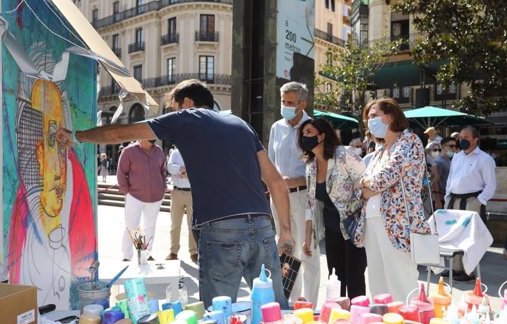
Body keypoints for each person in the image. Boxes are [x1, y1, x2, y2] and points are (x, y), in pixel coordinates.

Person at [57, 79, 293, 309]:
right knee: (275, 313)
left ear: (187, 102)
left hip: (221, 228)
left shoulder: (187, 118)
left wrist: (76, 136)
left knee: (219, 317)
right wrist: (285, 233)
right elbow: (276, 183)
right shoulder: (241, 125)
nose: (171, 113)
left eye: (173, 108)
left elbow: (120, 133)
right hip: (262, 226)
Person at [7, 79, 96, 308]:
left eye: (60, 137)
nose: (55, 154)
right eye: (48, 138)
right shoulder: (25, 208)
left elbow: (85, 261)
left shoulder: (75, 187)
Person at [357, 98, 431, 302]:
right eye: (367, 118)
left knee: (400, 281)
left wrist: (368, 185)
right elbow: (362, 187)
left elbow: (386, 177)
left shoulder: (409, 141)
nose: (369, 122)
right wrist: (369, 186)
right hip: (372, 221)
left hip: (398, 223)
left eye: (373, 116)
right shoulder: (379, 152)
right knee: (377, 280)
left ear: (389, 116)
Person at [298, 118, 367, 298]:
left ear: (322, 135)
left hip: (355, 227)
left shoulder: (344, 154)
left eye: (309, 132)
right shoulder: (310, 166)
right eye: (303, 134)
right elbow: (310, 204)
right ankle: (339, 317)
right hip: (332, 230)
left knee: (354, 277)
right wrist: (307, 238)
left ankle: (358, 318)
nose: (305, 137)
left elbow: (366, 181)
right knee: (335, 277)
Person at [268, 82, 321, 305]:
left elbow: (321, 165)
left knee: (308, 251)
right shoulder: (276, 127)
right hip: (279, 198)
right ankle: (289, 301)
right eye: (283, 102)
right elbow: (270, 161)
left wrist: (299, 180)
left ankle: (310, 304)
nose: (285, 106)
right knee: (286, 250)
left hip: (304, 197)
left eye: (290, 103)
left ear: (302, 103)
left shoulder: (313, 128)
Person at [445, 126, 497, 282]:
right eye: (461, 137)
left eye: (466, 137)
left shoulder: (484, 159)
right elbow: (451, 178)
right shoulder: (457, 157)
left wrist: (479, 201)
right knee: (454, 235)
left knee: (469, 237)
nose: (462, 140)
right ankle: (455, 268)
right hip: (455, 200)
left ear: (475, 139)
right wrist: (448, 196)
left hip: (472, 200)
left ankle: (469, 271)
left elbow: (491, 185)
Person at [117, 139, 167, 262]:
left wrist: (163, 187)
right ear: (141, 135)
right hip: (135, 196)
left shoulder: (159, 151)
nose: (153, 137)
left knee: (150, 226)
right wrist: (126, 190)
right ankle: (127, 255)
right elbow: (121, 172)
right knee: (133, 226)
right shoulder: (129, 151)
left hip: (155, 197)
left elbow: (163, 172)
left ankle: (145, 254)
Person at [166, 147, 198, 263]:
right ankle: (174, 251)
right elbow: (170, 167)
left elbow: (198, 169)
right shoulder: (175, 152)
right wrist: (182, 170)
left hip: (192, 193)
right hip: (177, 192)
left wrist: (184, 171)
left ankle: (194, 252)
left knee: (192, 225)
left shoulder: (196, 151)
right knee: (175, 224)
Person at [434, 137, 458, 208]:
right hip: (442, 199)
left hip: (450, 197)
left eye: (455, 146)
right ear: (443, 147)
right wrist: (438, 202)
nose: (454, 149)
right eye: (451, 146)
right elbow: (435, 183)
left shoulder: (451, 160)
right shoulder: (439, 162)